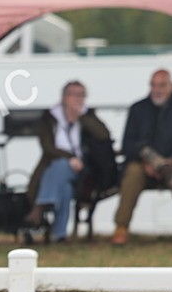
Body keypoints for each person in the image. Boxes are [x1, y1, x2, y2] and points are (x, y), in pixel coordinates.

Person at [112, 70, 172, 246]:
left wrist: (171, 160)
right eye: (153, 85)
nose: (156, 89)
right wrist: (147, 162)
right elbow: (128, 143)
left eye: (161, 85)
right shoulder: (138, 108)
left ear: (171, 86)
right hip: (144, 163)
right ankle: (121, 227)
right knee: (132, 173)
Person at [23, 81, 113, 242]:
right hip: (52, 168)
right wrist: (69, 158)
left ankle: (40, 206)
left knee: (62, 169)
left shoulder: (88, 116)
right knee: (64, 184)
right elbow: (48, 147)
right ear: (64, 97)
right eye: (75, 95)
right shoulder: (49, 118)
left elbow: (103, 135)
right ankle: (60, 235)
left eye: (82, 95)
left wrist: (82, 117)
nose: (79, 99)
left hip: (85, 171)